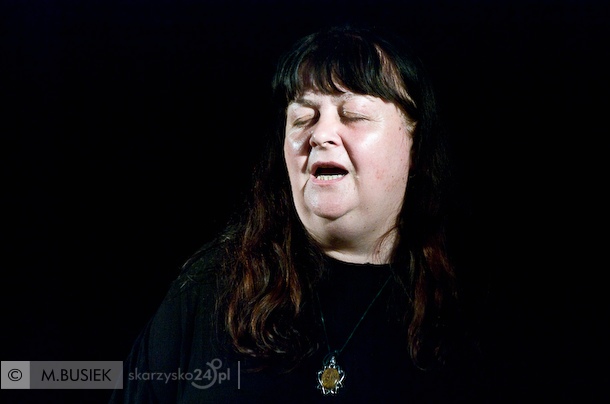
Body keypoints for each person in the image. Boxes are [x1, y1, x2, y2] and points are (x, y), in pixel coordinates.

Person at [110, 24, 483, 403]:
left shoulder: (470, 308)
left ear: (415, 147)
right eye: (303, 118)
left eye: (353, 114)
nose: (320, 135)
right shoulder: (210, 291)